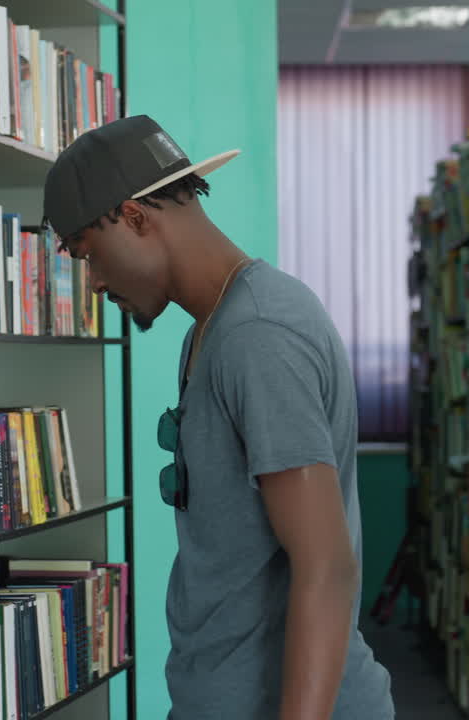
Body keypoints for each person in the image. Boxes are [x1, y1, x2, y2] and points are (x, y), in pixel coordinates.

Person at [42, 115, 394, 720]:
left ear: (135, 218)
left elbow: (327, 567)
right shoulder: (212, 328)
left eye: (91, 255)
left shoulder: (257, 334)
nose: (94, 281)